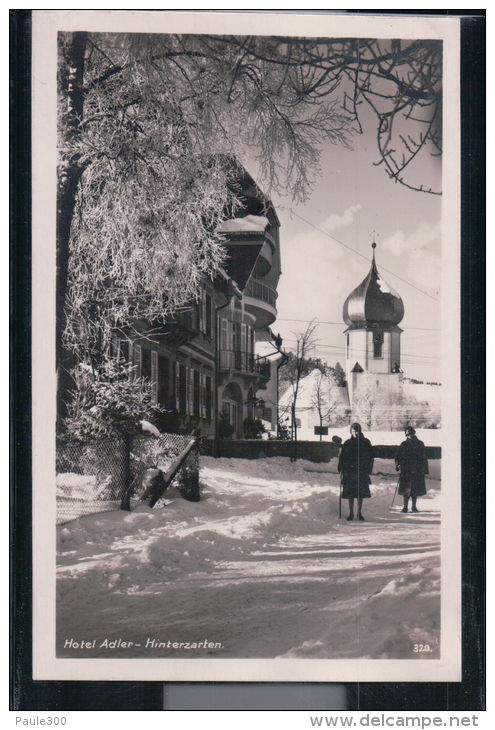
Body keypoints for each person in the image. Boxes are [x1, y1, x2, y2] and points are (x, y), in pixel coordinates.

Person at [337, 423, 374, 521]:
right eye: (354, 431)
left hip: (361, 472)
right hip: (349, 472)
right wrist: (340, 469)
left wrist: (368, 469)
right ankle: (351, 513)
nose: (356, 433)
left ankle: (359, 512)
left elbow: (371, 457)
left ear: (360, 431)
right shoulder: (347, 443)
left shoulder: (365, 442)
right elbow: (342, 457)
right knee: (350, 493)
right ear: (351, 431)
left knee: (360, 494)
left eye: (357, 430)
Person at [395, 426, 429, 513]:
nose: (409, 436)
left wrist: (424, 469)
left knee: (415, 489)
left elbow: (424, 458)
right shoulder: (403, 444)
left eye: (410, 434)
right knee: (406, 489)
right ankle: (405, 507)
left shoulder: (420, 444)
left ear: (414, 433)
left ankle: (414, 506)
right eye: (407, 435)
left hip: (417, 470)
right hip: (406, 470)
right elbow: (398, 456)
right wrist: (398, 464)